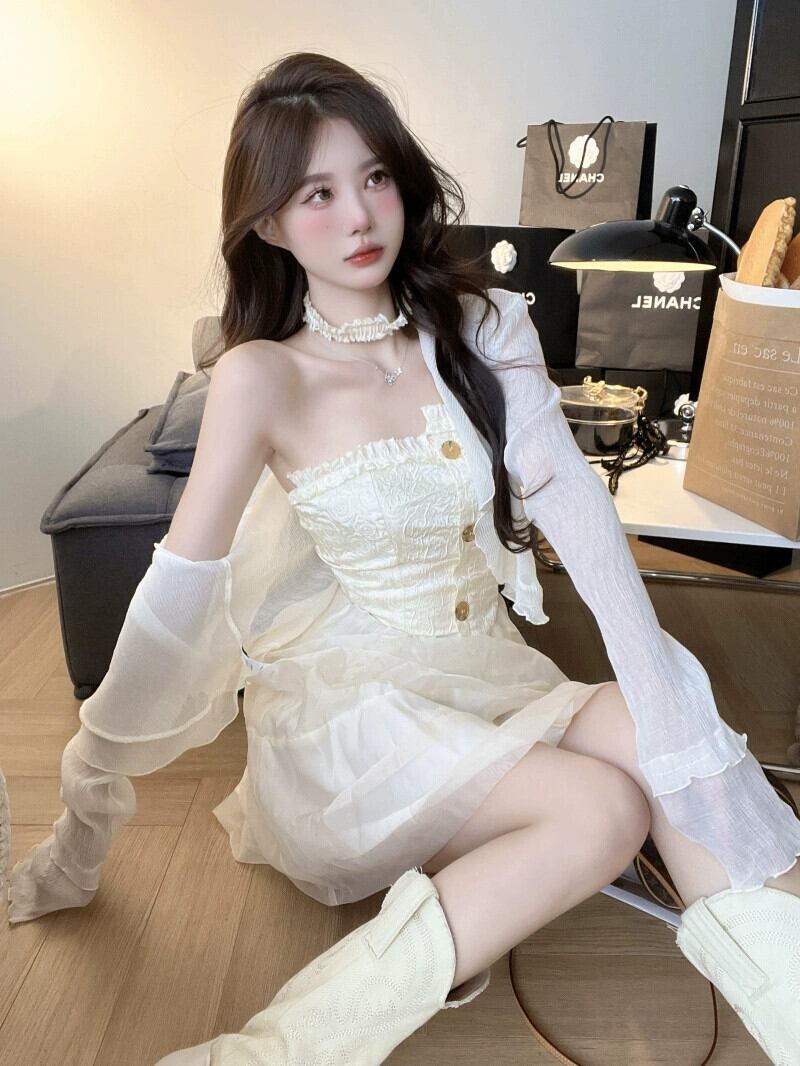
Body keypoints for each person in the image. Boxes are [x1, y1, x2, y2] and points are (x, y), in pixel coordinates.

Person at [5, 51, 800, 1066]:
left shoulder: (484, 325)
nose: (359, 216)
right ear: (267, 224)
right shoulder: (260, 376)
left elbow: (571, 503)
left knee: (673, 727)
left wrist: (661, 691)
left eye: (374, 177)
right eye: (317, 194)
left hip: (490, 677)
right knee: (603, 811)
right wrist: (91, 788)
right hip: (350, 721)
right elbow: (181, 589)